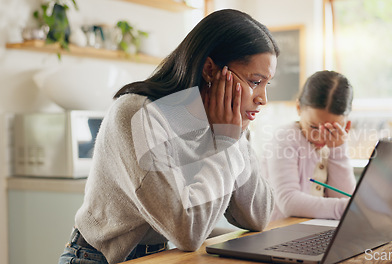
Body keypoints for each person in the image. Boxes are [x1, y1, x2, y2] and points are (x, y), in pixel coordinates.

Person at [59, 9, 279, 264]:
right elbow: (188, 231)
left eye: (266, 84)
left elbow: (258, 215)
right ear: (210, 69)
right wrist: (227, 142)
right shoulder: (138, 115)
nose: (263, 98)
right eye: (254, 82)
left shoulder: (220, 123)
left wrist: (232, 137)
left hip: (161, 256)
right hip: (96, 258)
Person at [262, 70, 356, 221]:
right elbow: (289, 202)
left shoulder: (333, 143)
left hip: (315, 229)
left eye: (332, 128)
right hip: (281, 230)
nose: (320, 136)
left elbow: (344, 195)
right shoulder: (285, 138)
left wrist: (338, 149)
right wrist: (348, 209)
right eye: (313, 127)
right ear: (298, 108)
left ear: (346, 122)